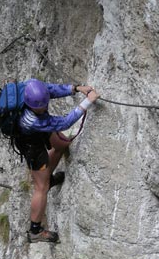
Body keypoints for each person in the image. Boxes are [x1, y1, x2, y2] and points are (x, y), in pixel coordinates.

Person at [16, 79, 99, 243]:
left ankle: (49, 178)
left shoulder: (30, 90)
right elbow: (65, 123)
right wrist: (88, 101)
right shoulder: (31, 119)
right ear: (32, 106)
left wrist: (76, 88)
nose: (45, 106)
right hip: (31, 145)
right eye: (41, 106)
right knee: (41, 187)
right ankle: (35, 231)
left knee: (61, 145)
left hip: (38, 131)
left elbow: (51, 90)